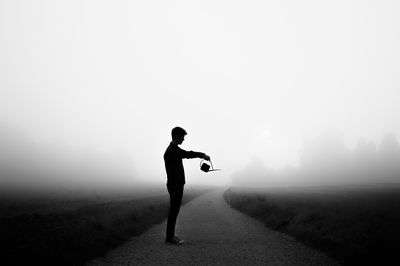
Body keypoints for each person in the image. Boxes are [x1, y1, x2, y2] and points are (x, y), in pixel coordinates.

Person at [163, 126, 210, 245]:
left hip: (176, 184)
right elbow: (188, 154)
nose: (183, 139)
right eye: (182, 137)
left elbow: (187, 154)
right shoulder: (172, 151)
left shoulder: (174, 149)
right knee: (173, 211)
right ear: (177, 136)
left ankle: (171, 236)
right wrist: (202, 155)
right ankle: (169, 237)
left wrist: (201, 155)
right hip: (175, 185)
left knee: (175, 210)